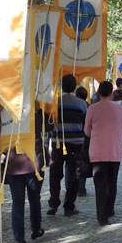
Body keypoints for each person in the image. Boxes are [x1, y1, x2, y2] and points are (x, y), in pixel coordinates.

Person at [0, 104, 47, 243]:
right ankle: (36, 228)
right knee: (34, 198)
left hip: (14, 163)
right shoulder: (35, 112)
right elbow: (49, 126)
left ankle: (19, 238)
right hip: (32, 163)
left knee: (17, 202)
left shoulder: (6, 112)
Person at [84, 80, 122, 225]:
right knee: (112, 182)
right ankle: (110, 209)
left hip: (97, 152)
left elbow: (87, 131)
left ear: (98, 93)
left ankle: (101, 215)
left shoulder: (92, 109)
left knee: (100, 184)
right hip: (114, 150)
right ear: (111, 93)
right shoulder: (119, 109)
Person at [47, 74, 87, 216]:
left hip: (58, 143)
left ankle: (53, 204)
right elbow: (85, 125)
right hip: (76, 144)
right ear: (74, 86)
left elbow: (49, 125)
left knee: (55, 174)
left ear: (62, 86)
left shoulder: (55, 103)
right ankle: (69, 206)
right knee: (73, 175)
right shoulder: (82, 104)